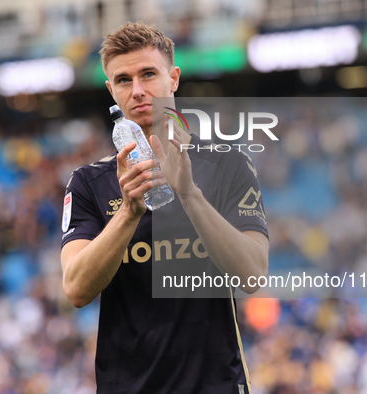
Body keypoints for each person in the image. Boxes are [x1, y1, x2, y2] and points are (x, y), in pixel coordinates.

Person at [60, 22, 269, 394]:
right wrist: (128, 211)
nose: (138, 90)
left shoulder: (228, 165)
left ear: (173, 78)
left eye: (148, 74)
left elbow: (252, 275)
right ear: (111, 90)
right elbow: (76, 289)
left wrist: (190, 196)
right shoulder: (88, 183)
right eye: (124, 80)